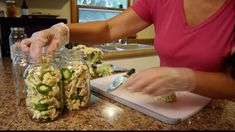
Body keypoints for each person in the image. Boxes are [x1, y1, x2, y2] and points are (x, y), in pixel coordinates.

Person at [20, 0, 234, 99]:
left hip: (215, 112)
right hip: (167, 105)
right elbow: (110, 28)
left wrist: (187, 79)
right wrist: (62, 30)